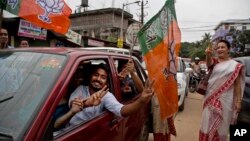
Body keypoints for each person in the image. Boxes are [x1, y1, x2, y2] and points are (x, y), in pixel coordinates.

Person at [56, 64, 154, 128]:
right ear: (90, 76)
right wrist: (86, 104)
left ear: (106, 82)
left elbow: (122, 110)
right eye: (96, 75)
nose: (98, 79)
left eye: (103, 77)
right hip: (68, 129)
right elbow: (73, 104)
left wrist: (141, 101)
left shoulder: (106, 96)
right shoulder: (81, 89)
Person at [199, 40, 245, 141]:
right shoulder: (214, 62)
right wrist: (208, 54)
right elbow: (208, 63)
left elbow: (237, 84)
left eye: (222, 47)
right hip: (210, 98)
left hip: (226, 100)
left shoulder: (235, 65)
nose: (220, 49)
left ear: (228, 49)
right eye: (218, 47)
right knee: (207, 123)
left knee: (222, 126)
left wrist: (238, 101)